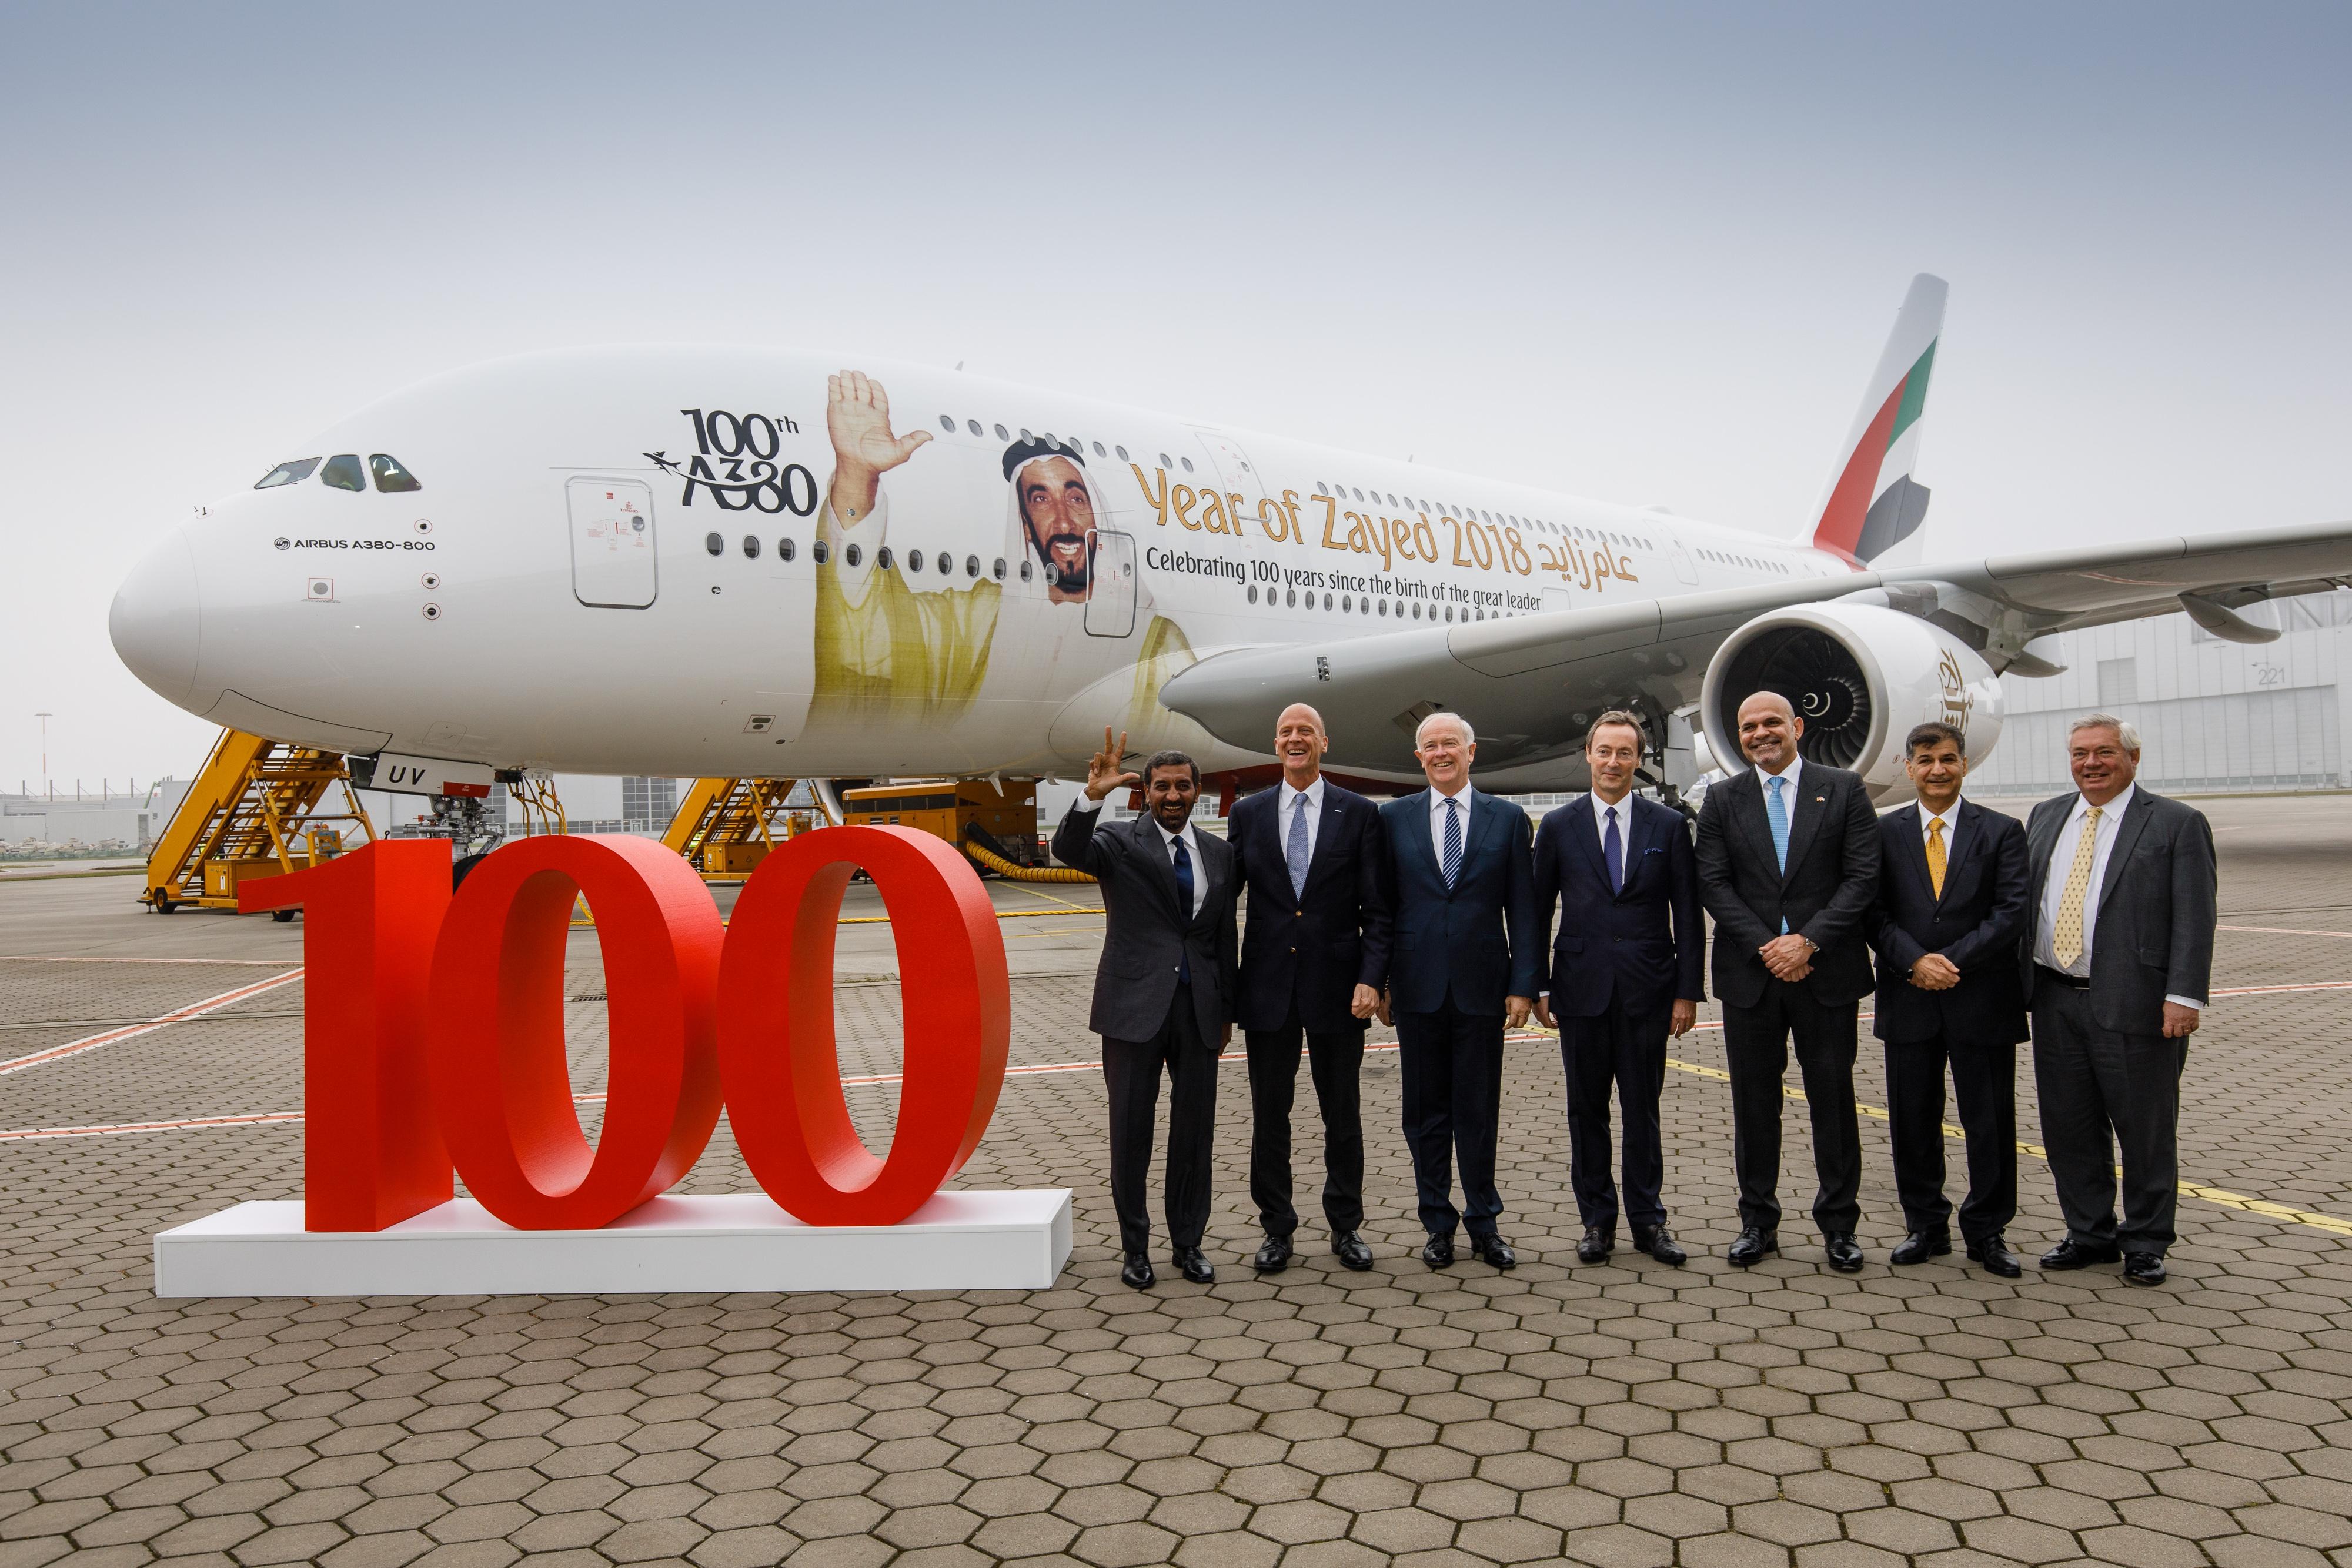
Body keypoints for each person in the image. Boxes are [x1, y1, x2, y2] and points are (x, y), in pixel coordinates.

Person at [2019, 714, 2216, 1286]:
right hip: (2054, 999)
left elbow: (2194, 916)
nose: (2091, 763)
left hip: (2137, 1004)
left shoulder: (2176, 823)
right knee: (2068, 1126)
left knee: (2145, 1130)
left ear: (2132, 757)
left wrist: (2183, 996)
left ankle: (2147, 1241)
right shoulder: (2047, 815)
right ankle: (2089, 1233)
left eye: (2104, 752)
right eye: (2080, 753)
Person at [1695, 690, 1882, 1272]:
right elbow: (1713, 883)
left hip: (1825, 973)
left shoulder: (1844, 788)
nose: (1761, 733)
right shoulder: (1721, 799)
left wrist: (1807, 941)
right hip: (1751, 978)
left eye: (1771, 722)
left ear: (1797, 726)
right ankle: (1758, 1222)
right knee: (1754, 1106)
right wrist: (1768, 946)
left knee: (1834, 1103)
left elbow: (1862, 877)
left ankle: (1839, 1226)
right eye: (1749, 726)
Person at [1053, 728, 1240, 1290]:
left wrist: (1226, 1011)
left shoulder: (1220, 853)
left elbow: (1223, 936)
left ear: (1197, 790)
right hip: (1132, 1010)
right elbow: (1068, 850)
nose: (1173, 795)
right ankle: (1135, 1248)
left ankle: (1189, 1242)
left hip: (1199, 1010)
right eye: (1162, 786)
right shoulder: (1117, 840)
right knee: (1131, 1132)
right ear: (1147, 792)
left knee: (1194, 1133)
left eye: (1183, 786)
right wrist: (1092, 796)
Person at [1532, 711, 1704, 1267]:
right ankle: (1597, 1221)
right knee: (1586, 1111)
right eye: (1604, 751)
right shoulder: (1558, 826)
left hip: (1647, 991)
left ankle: (1649, 1220)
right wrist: (1536, 984)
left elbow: (1688, 915)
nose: (1613, 762)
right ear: (1588, 754)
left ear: (1638, 759)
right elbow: (1535, 912)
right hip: (1579, 990)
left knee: (1642, 1110)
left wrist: (1687, 991)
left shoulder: (1667, 826)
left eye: (1625, 752)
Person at [1866, 722, 2031, 1278]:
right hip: (1908, 995)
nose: (1938, 769)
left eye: (1948, 759)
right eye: (1926, 759)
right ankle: (1925, 1225)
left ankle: (1988, 1230)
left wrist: (1948, 962)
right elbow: (1873, 912)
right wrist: (1915, 961)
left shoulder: (2002, 831)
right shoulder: (1883, 833)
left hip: (1981, 998)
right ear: (1909, 767)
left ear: (1964, 764)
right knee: (1913, 1119)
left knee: (1990, 1122)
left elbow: (2011, 912)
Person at [1230, 705, 1391, 1273]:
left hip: (1339, 989)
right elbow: (1223, 903)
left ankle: (1346, 1225)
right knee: (1270, 1116)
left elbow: (1379, 909)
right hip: (1268, 988)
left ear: (1324, 741)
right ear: (1276, 745)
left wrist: (1373, 977)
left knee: (1342, 1113)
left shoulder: (1359, 813)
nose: (1295, 739)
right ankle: (1276, 1227)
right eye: (1286, 732)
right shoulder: (1248, 813)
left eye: (1305, 731)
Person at [1378, 713, 1541, 1270]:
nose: (1441, 752)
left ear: (1472, 752)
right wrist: (1381, 980)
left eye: (1451, 743)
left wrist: (1523, 985)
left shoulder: (1508, 819)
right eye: (1431, 745)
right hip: (1416, 986)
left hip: (1483, 988)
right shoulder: (1393, 818)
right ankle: (1437, 1223)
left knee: (1478, 1111)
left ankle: (1484, 1223)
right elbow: (1381, 908)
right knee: (1425, 1114)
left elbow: (1524, 910)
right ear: (1418, 757)